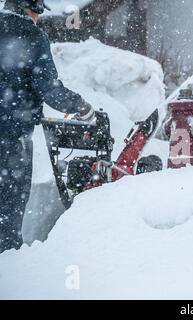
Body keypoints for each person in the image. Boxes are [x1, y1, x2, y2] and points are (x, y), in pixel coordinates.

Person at [0, 0, 95, 254]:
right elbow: (50, 90)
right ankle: (8, 265)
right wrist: (81, 105)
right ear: (29, 9)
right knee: (7, 216)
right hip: (10, 140)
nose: (38, 19)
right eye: (38, 13)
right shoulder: (31, 35)